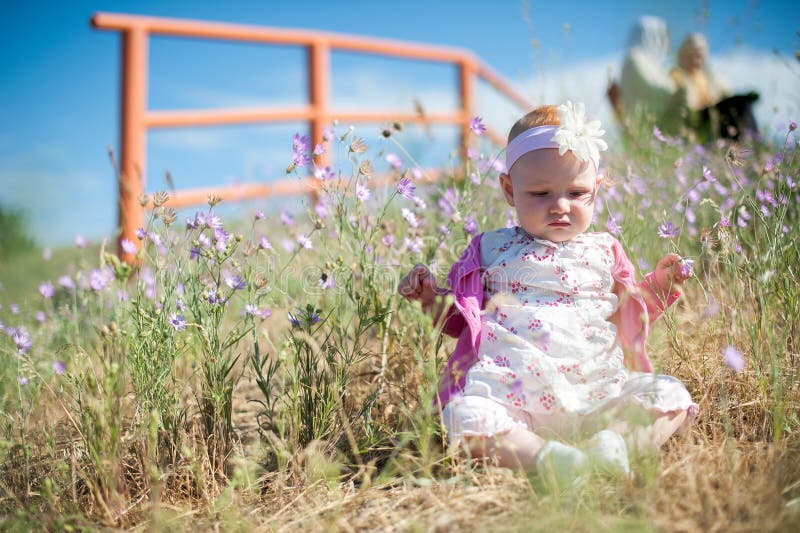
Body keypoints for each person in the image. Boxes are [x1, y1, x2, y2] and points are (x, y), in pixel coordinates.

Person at [398, 102, 698, 482]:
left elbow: (627, 310)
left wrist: (661, 285)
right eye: (540, 193)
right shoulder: (490, 248)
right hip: (513, 394)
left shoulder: (604, 250)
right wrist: (429, 299)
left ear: (596, 189)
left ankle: (612, 445)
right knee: (462, 415)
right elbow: (462, 319)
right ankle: (548, 459)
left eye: (577, 192)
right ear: (509, 190)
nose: (560, 206)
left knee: (671, 395)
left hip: (598, 391)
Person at [609, 16, 680, 125]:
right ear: (651, 36)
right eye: (660, 38)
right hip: (644, 123)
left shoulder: (649, 62)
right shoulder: (634, 58)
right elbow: (651, 87)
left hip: (653, 121)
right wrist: (676, 87)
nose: (664, 44)